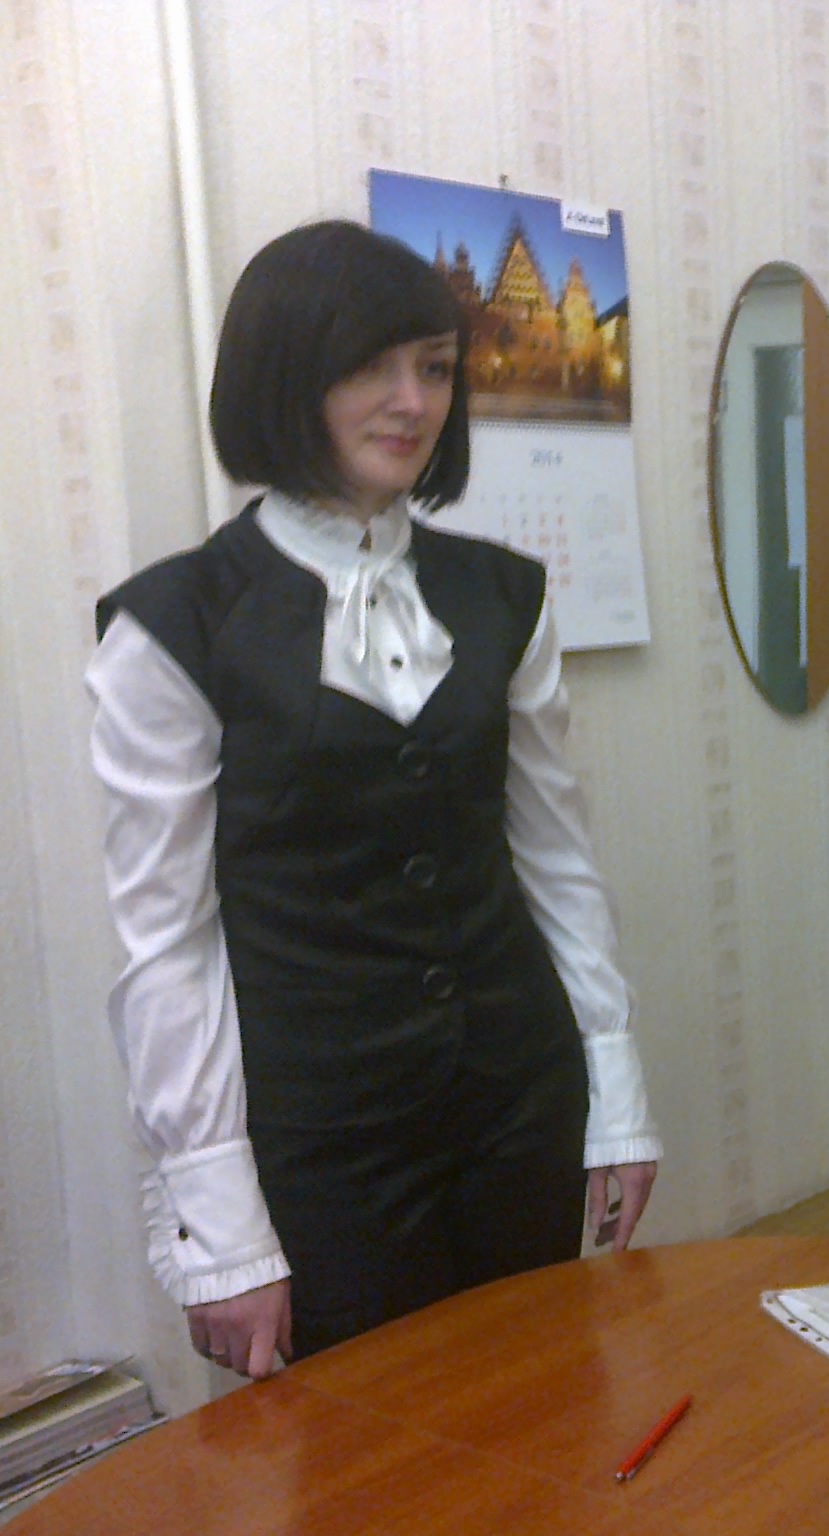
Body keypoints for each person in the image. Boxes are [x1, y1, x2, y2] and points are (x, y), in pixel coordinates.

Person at [87, 220, 663, 1381]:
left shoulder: (501, 595)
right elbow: (167, 944)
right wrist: (218, 1227)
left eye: (435, 369)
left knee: (546, 1405)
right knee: (372, 1453)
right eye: (372, 367)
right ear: (286, 375)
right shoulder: (175, 626)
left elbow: (556, 858)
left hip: (520, 1107)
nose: (413, 401)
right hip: (321, 1147)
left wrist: (617, 1101)